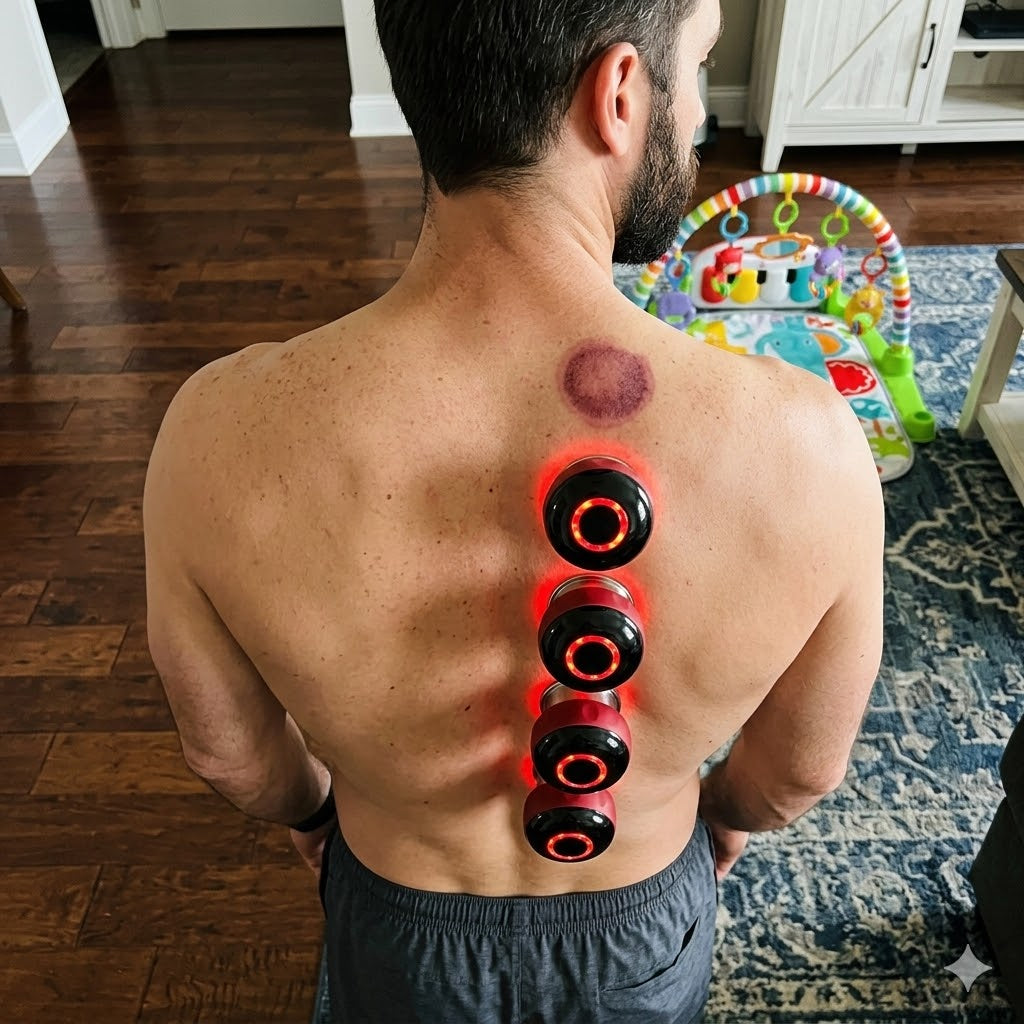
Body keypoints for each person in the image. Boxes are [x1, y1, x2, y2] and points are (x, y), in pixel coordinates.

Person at [142, 0, 884, 1021]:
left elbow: (227, 752)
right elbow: (803, 766)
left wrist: (315, 812)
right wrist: (706, 815)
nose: (697, 112)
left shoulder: (213, 434)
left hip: (396, 914)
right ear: (618, 93)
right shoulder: (811, 448)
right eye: (698, 67)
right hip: (638, 907)